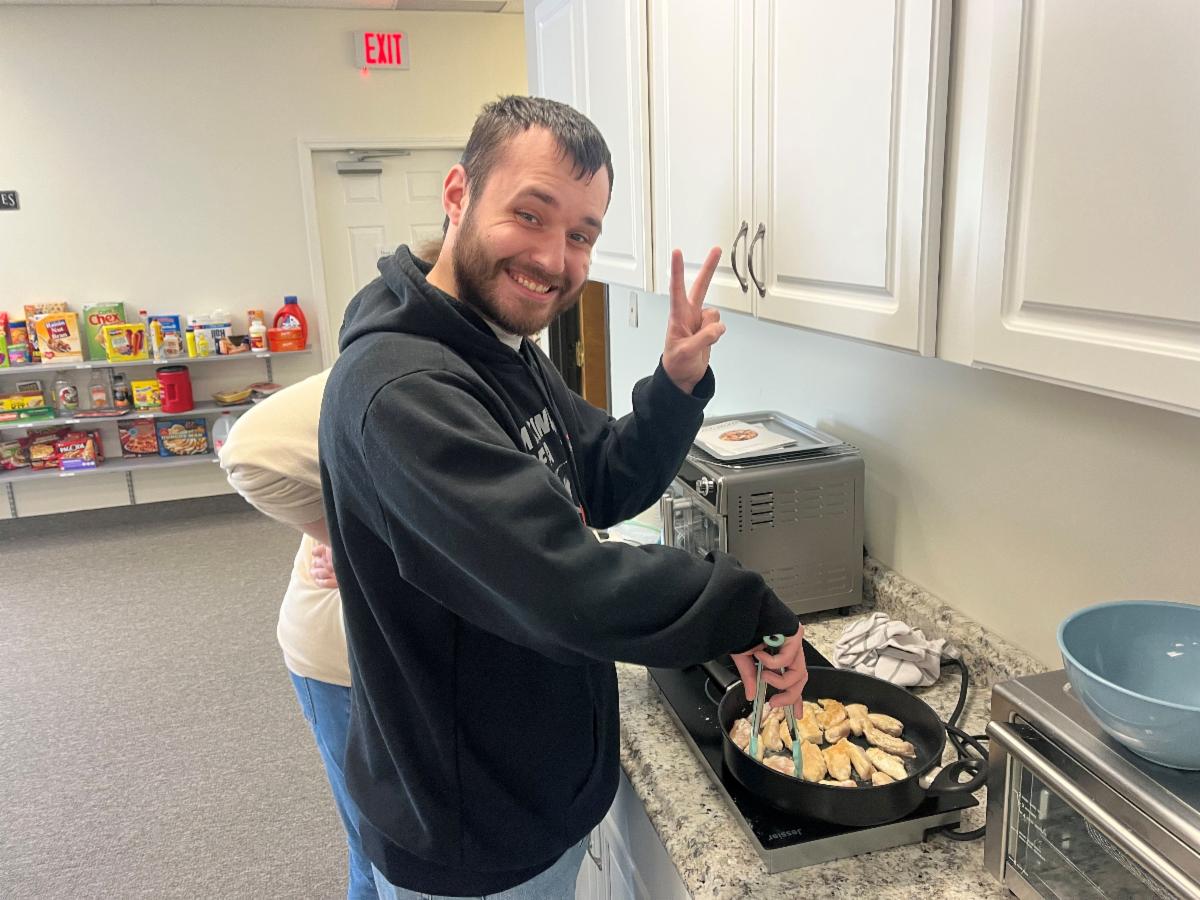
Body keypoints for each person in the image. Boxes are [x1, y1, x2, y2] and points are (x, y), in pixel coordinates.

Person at [319, 95, 808, 899]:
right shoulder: (404, 390)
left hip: (530, 791)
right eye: (531, 215)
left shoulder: (500, 347)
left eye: (582, 234)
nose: (556, 258)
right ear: (457, 195)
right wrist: (742, 604)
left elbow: (603, 473)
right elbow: (563, 583)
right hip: (472, 833)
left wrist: (676, 386)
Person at [217, 370, 378, 900]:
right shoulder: (386, 365)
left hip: (410, 660)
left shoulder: (508, 376)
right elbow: (249, 450)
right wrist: (354, 541)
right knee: (375, 846)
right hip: (340, 664)